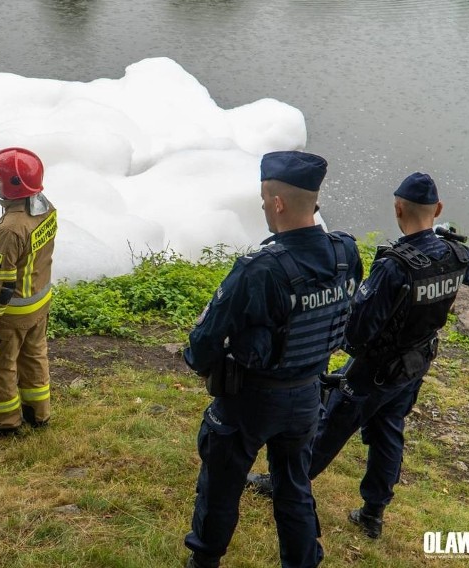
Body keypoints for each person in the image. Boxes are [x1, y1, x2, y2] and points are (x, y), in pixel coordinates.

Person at [246, 172, 469, 539]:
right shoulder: (456, 255)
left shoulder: (396, 264)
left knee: (329, 425)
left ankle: (283, 485)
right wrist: (454, 242)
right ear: (438, 210)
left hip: (375, 370)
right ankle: (373, 512)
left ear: (397, 209)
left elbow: (359, 328)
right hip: (415, 363)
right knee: (388, 432)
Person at [183, 151, 362, 568]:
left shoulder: (258, 269)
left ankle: (204, 561)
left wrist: (205, 357)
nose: (264, 207)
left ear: (277, 203)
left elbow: (203, 344)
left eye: (265, 200)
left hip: (251, 400)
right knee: (294, 486)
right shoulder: (345, 253)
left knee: (222, 486)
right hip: (307, 397)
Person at [0, 147, 57, 439]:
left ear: (13, 186)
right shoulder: (45, 209)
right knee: (34, 357)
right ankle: (38, 414)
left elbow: (2, 284)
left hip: (11, 313)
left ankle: (6, 422)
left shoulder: (10, 229)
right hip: (38, 305)